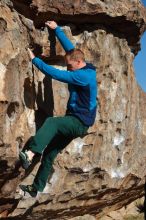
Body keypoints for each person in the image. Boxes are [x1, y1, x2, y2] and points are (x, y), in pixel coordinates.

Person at [19, 21, 97, 197]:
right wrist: (57, 30)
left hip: (77, 123)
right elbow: (71, 50)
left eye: (70, 65)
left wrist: (35, 60)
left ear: (78, 63)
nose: (68, 67)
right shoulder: (85, 65)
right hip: (76, 122)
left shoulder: (82, 77)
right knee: (50, 154)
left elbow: (56, 74)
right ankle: (35, 188)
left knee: (52, 123)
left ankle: (31, 151)